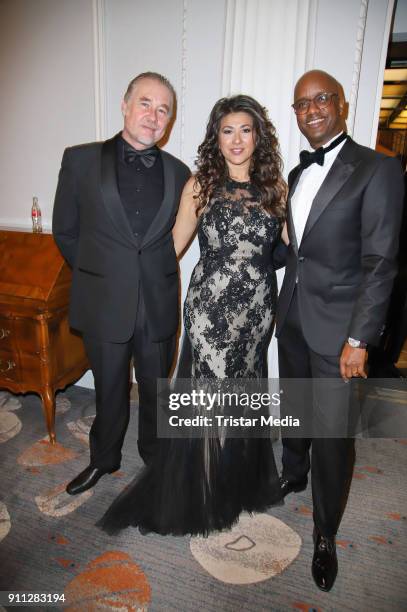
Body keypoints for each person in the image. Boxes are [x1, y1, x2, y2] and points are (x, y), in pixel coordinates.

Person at [96, 94, 286, 536]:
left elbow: (296, 246)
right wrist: (126, 278)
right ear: (215, 138)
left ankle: (233, 482)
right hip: (211, 312)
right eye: (227, 130)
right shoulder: (201, 185)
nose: (236, 140)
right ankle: (202, 490)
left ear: (258, 136)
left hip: (256, 313)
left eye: (245, 129)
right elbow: (172, 247)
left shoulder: (277, 188)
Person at [274, 70, 404, 591]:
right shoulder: (297, 173)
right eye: (301, 103)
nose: (311, 109)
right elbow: (296, 250)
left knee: (333, 435)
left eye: (321, 99)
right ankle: (292, 471)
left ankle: (325, 531)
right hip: (295, 318)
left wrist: (358, 340)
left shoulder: (378, 168)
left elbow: (380, 262)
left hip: (340, 331)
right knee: (295, 406)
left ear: (342, 104)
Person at [52, 72, 191, 495]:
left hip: (157, 300)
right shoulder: (79, 160)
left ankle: (155, 458)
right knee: (109, 388)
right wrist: (101, 276)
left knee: (156, 390)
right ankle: (103, 460)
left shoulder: (180, 172)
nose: (153, 115)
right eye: (146, 103)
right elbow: (66, 231)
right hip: (103, 301)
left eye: (163, 109)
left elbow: (176, 237)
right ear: (125, 105)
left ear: (169, 121)